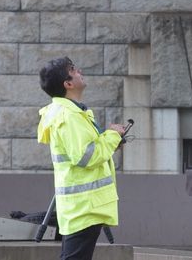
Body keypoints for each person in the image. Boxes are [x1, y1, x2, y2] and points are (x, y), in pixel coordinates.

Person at [37, 57, 125, 260]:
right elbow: (87, 157)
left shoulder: (71, 112)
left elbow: (85, 151)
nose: (80, 70)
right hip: (84, 209)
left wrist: (111, 141)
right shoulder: (70, 116)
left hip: (82, 208)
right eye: (73, 69)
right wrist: (112, 134)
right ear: (67, 84)